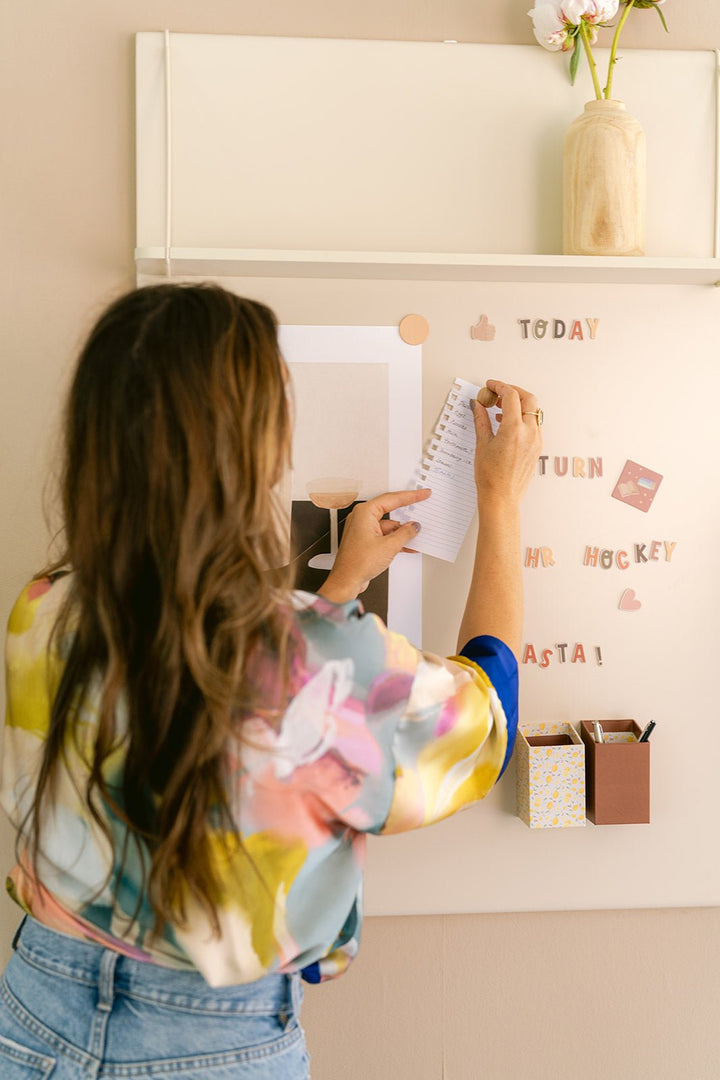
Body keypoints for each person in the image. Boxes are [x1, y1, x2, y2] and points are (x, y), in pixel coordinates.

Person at [0, 283, 541, 1078]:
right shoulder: (327, 659)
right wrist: (500, 500)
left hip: (34, 1011)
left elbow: (218, 696)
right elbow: (488, 711)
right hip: (212, 1045)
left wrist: (339, 590)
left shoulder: (46, 607)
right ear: (250, 452)